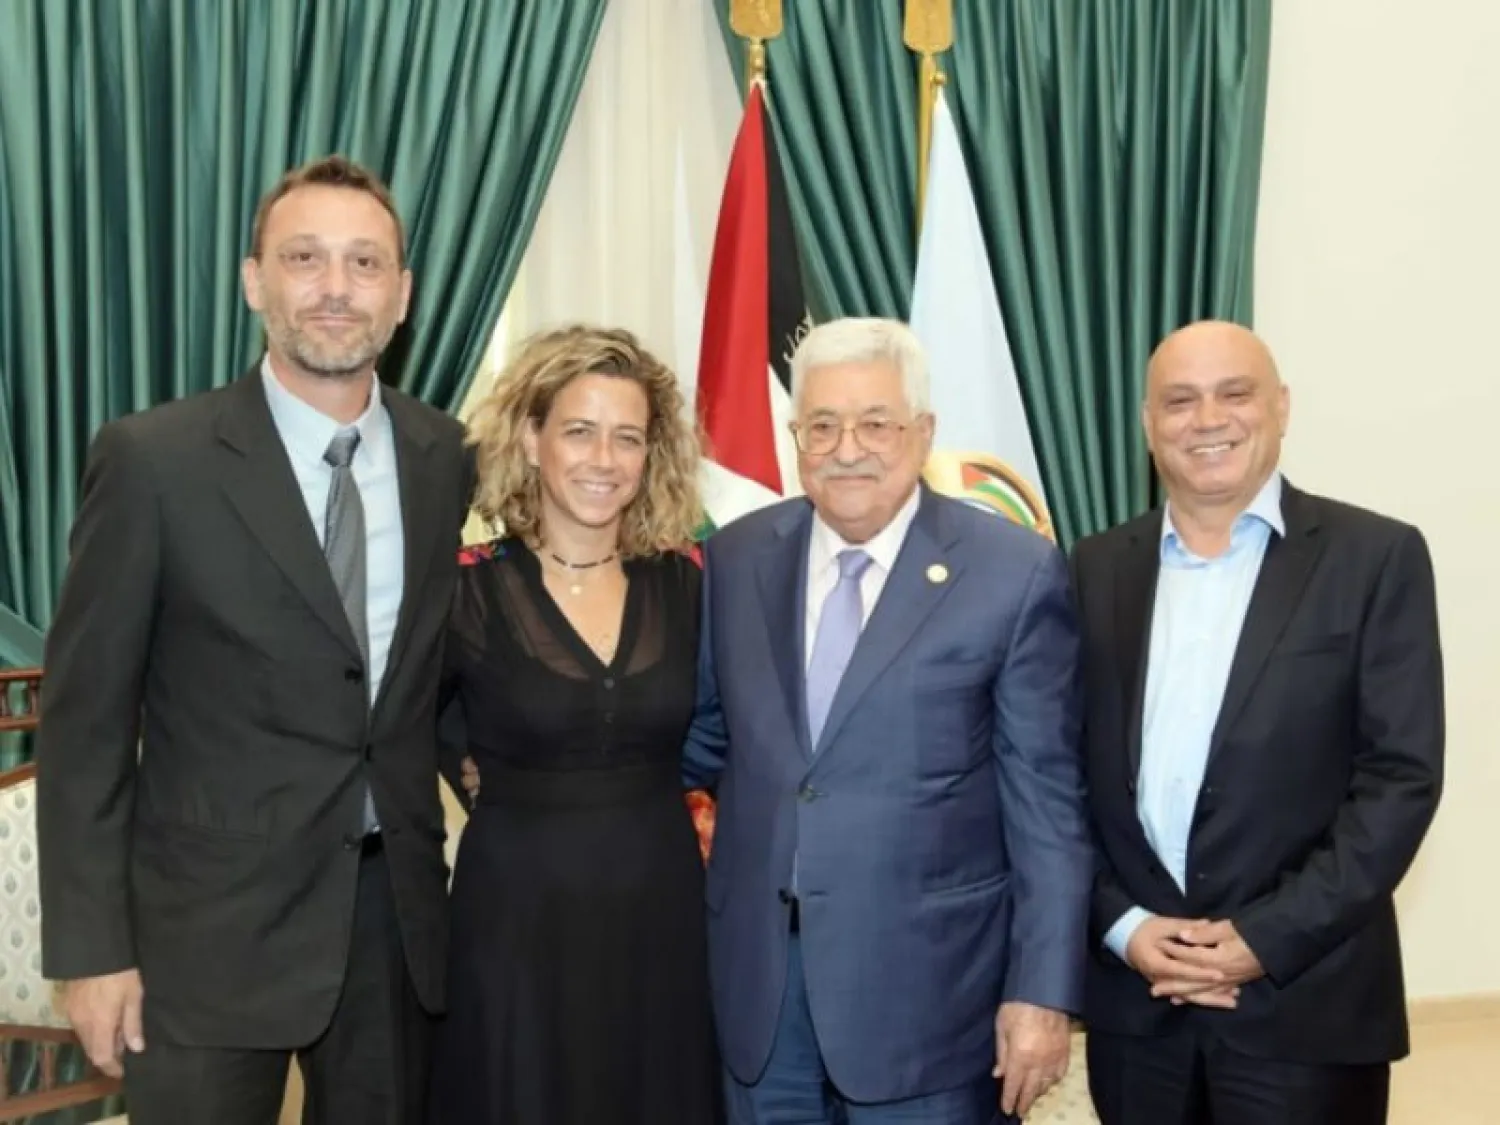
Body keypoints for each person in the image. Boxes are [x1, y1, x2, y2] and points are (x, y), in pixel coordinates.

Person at [35, 155, 473, 1124]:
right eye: (304, 258)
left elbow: (419, 684)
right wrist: (92, 951)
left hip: (390, 927)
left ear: (401, 295)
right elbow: (84, 726)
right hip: (204, 935)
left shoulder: (444, 458)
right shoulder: (154, 461)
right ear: (253, 280)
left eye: (365, 264)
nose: (334, 289)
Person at [681, 317, 1093, 1124]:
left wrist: (1042, 993)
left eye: (877, 423)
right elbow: (702, 736)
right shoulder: (735, 559)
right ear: (795, 436)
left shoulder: (1012, 572)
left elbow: (1047, 806)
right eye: (822, 425)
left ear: (924, 432)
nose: (848, 447)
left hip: (932, 1003)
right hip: (764, 996)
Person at [1070, 320, 1444, 1125]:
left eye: (1234, 393)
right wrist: (1121, 924)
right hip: (1137, 1014)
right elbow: (1057, 774)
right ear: (1147, 423)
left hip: (1305, 1009)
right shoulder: (1093, 569)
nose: (1208, 420)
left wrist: (1263, 938)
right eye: (1180, 400)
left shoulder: (1374, 558)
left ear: (1280, 407)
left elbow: (1399, 782)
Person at [428, 325, 721, 1125]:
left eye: (627, 438)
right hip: (516, 924)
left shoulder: (691, 586)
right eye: (580, 431)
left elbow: (730, 729)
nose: (603, 459)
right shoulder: (464, 592)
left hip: (661, 918)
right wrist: (468, 767)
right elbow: (401, 723)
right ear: (531, 438)